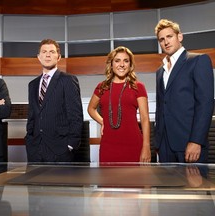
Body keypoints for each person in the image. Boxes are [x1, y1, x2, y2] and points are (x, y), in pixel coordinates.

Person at [154, 19, 214, 163]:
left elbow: (205, 104)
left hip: (189, 144)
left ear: (179, 37)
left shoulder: (198, 60)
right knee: (166, 186)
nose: (166, 42)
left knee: (192, 185)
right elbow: (161, 107)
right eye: (161, 39)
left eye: (169, 36)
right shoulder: (159, 71)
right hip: (164, 146)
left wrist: (196, 141)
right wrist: (158, 142)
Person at [88, 46, 151, 163]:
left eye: (126, 61)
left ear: (130, 65)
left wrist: (146, 147)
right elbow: (91, 109)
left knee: (135, 181)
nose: (121, 64)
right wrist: (103, 122)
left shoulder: (138, 87)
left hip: (133, 145)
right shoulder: (102, 87)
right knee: (108, 181)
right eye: (117, 60)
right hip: (108, 146)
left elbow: (145, 118)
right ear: (111, 64)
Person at [26, 39, 83, 163]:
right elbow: (32, 116)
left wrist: (71, 145)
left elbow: (76, 115)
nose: (47, 55)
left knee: (59, 183)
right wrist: (29, 141)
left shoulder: (68, 80)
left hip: (60, 150)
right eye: (44, 52)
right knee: (35, 182)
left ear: (59, 57)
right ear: (38, 57)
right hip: (35, 149)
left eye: (52, 52)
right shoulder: (33, 84)